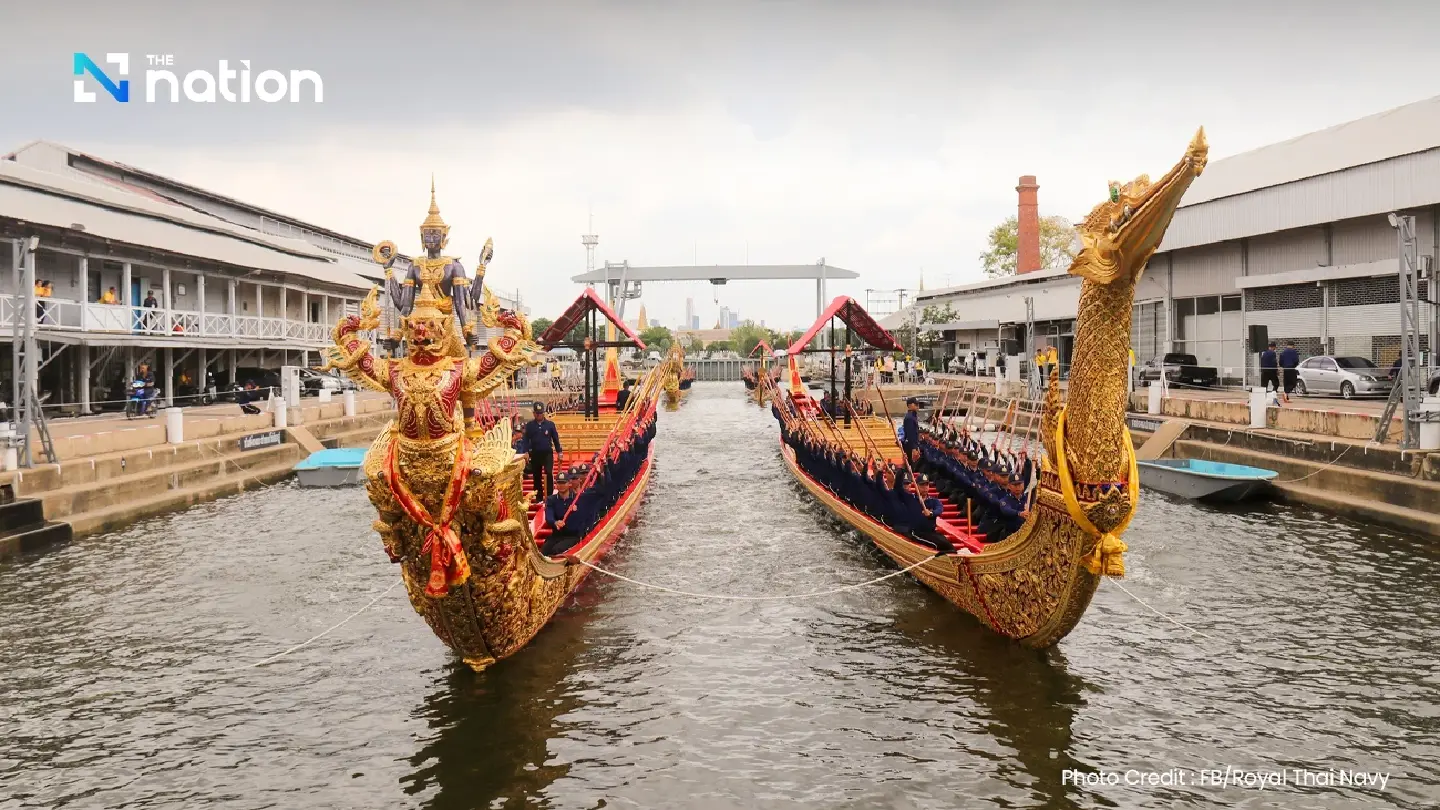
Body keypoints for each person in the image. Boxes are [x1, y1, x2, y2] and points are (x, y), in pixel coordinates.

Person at [523, 403, 563, 497]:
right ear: (533, 413)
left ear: (543, 413)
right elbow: (525, 439)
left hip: (547, 453)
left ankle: (549, 494)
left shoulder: (550, 425)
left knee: (548, 472)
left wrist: (559, 451)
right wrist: (526, 451)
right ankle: (538, 496)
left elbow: (555, 439)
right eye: (537, 413)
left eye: (540, 413)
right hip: (535, 453)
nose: (538, 415)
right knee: (537, 475)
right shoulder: (530, 425)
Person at [541, 472, 581, 556]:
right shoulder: (551, 500)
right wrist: (555, 522)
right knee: (543, 551)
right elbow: (549, 516)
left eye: (563, 483)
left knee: (557, 550)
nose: (561, 485)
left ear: (569, 484)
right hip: (557, 535)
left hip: (572, 536)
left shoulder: (577, 498)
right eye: (559, 483)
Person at [901, 397, 922, 463]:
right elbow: (910, 434)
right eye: (915, 404)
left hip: (913, 445)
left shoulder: (913, 416)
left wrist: (917, 446)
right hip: (910, 446)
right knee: (910, 465)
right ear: (909, 405)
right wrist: (914, 448)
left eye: (917, 404)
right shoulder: (909, 418)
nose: (917, 406)